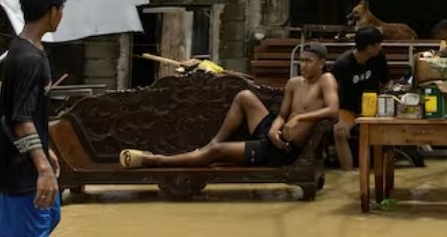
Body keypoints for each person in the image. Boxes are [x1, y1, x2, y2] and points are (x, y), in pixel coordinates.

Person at [120, 43, 339, 169]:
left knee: (217, 153)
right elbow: (282, 114)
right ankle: (213, 141)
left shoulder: (326, 80)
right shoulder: (294, 83)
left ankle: (155, 160)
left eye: (308, 61)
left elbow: (333, 110)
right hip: (274, 134)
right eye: (301, 61)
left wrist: (301, 119)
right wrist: (274, 128)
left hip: (282, 150)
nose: (303, 65)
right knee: (244, 95)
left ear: (321, 63)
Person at [0, 0, 69, 237]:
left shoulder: (26, 49)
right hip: (21, 169)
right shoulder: (28, 59)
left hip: (17, 164)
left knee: (48, 217)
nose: (62, 14)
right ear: (50, 12)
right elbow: (21, 120)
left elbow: (22, 112)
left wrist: (45, 149)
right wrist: (43, 167)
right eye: (60, 8)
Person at [330, 25, 390, 172]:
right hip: (348, 108)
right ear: (370, 48)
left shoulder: (379, 56)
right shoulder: (342, 64)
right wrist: (338, 118)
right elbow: (330, 90)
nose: (380, 47)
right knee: (339, 133)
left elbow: (387, 82)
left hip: (373, 107)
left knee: (375, 132)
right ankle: (349, 173)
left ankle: (372, 171)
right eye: (378, 44)